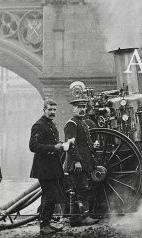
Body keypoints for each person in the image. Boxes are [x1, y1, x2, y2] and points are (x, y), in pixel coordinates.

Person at [30, 99, 65, 235]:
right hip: (43, 167)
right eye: (50, 109)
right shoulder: (39, 125)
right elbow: (33, 146)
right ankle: (44, 225)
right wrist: (54, 147)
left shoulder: (51, 125)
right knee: (50, 195)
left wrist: (61, 145)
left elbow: (52, 142)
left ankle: (46, 222)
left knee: (48, 195)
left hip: (52, 166)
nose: (52, 112)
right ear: (44, 110)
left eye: (54, 110)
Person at [63, 99, 99, 227]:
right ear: (73, 109)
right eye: (78, 107)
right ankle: (82, 218)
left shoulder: (82, 123)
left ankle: (75, 219)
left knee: (80, 190)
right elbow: (71, 145)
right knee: (81, 190)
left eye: (83, 106)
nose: (82, 109)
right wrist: (77, 161)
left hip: (84, 163)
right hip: (76, 164)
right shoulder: (72, 124)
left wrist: (94, 146)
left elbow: (84, 144)